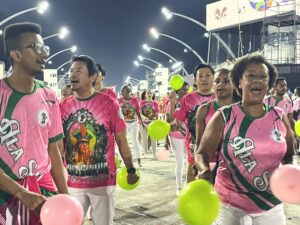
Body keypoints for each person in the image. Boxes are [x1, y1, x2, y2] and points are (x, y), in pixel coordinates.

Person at [194, 55, 294, 225]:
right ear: (239, 82)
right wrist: (203, 170)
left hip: (270, 203)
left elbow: (289, 154)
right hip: (230, 204)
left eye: (263, 77)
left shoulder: (279, 116)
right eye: (251, 76)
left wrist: (288, 178)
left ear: (269, 84)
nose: (258, 81)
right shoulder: (224, 116)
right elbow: (202, 152)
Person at [0, 22, 68, 224]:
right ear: (16, 54)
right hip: (5, 196)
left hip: (43, 194)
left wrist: (65, 197)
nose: (44, 54)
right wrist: (22, 193)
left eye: (45, 48)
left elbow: (53, 150)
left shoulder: (49, 96)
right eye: (36, 48)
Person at [59, 55, 139, 225]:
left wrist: (130, 169)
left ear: (93, 76)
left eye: (78, 71)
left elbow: (121, 139)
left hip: (102, 182)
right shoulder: (62, 106)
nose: (72, 75)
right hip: (72, 182)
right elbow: (59, 145)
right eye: (71, 71)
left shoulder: (109, 103)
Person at [172, 64, 215, 183]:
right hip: (193, 151)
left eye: (208, 75)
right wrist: (164, 128)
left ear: (213, 78)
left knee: (214, 189)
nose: (204, 79)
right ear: (195, 80)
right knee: (192, 185)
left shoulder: (221, 98)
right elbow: (177, 123)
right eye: (200, 76)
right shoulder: (187, 99)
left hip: (217, 152)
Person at [194, 68, 234, 183]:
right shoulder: (204, 110)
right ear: (213, 85)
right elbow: (199, 143)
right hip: (210, 166)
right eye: (217, 81)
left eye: (226, 81)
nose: (221, 84)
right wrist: (200, 167)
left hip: (236, 168)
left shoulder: (242, 109)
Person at [166, 81, 189, 195]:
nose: (185, 92)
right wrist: (172, 102)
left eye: (186, 89)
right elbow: (169, 121)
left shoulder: (190, 101)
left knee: (190, 161)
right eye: (182, 89)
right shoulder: (172, 103)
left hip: (189, 135)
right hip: (176, 135)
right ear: (177, 91)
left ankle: (187, 185)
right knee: (180, 161)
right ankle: (179, 187)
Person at [118, 85, 145, 167]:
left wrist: (142, 123)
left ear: (129, 92)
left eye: (125, 91)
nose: (123, 93)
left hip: (134, 123)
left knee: (135, 141)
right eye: (122, 91)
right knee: (122, 142)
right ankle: (120, 160)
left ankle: (138, 159)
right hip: (123, 124)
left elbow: (137, 112)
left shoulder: (134, 100)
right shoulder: (119, 100)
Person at [139, 89, 159, 158]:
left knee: (153, 138)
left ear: (152, 94)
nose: (149, 94)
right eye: (148, 93)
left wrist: (156, 122)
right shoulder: (141, 103)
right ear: (145, 95)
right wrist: (143, 117)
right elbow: (139, 113)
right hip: (142, 123)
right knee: (144, 138)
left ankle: (154, 153)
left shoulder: (155, 103)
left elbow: (156, 114)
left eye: (151, 93)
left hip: (152, 123)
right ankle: (145, 153)